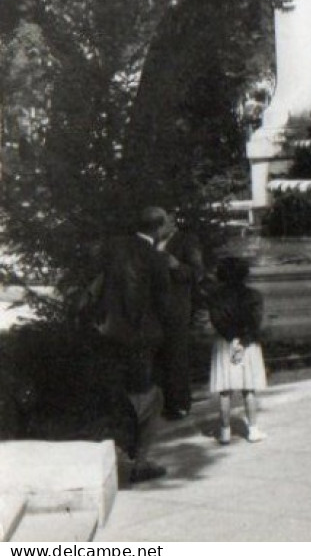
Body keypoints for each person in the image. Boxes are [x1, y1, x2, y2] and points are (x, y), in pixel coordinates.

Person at [97, 207, 172, 484]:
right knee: (149, 397)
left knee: (119, 394)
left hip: (110, 333)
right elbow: (162, 304)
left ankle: (119, 455)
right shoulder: (155, 258)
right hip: (141, 338)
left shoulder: (115, 248)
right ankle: (138, 462)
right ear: (159, 227)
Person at [208, 257, 268, 445]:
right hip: (247, 343)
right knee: (248, 389)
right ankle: (253, 429)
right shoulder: (255, 296)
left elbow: (217, 321)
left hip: (225, 343)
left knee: (225, 391)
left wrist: (230, 336)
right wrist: (243, 338)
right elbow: (256, 322)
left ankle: (225, 431)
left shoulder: (215, 297)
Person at [157, 213, 207, 420]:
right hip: (153, 308)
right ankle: (160, 404)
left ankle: (179, 404)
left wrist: (176, 266)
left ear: (171, 222)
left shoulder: (186, 240)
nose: (157, 229)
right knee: (157, 356)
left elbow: (197, 273)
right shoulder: (151, 243)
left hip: (177, 307)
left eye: (161, 224)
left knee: (176, 356)